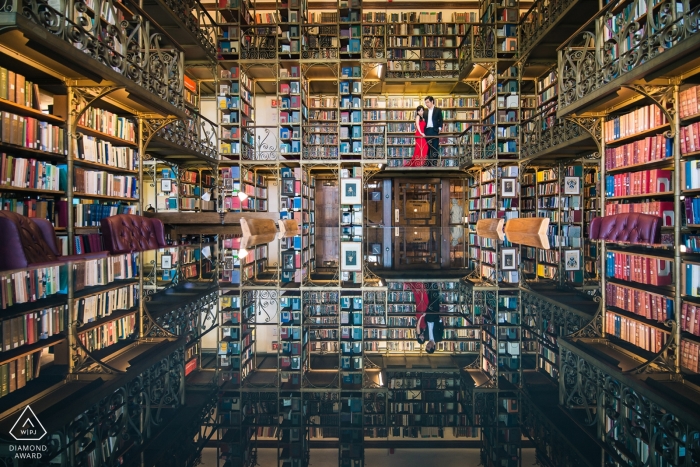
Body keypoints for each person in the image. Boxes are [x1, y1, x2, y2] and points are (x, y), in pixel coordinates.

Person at [423, 96, 444, 164]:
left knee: (435, 147)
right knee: (427, 147)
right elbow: (422, 120)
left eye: (428, 102)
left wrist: (440, 128)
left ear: (432, 101)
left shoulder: (438, 110)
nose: (426, 104)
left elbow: (441, 120)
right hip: (427, 131)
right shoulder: (425, 111)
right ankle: (428, 163)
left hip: (434, 130)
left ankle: (434, 163)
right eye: (425, 102)